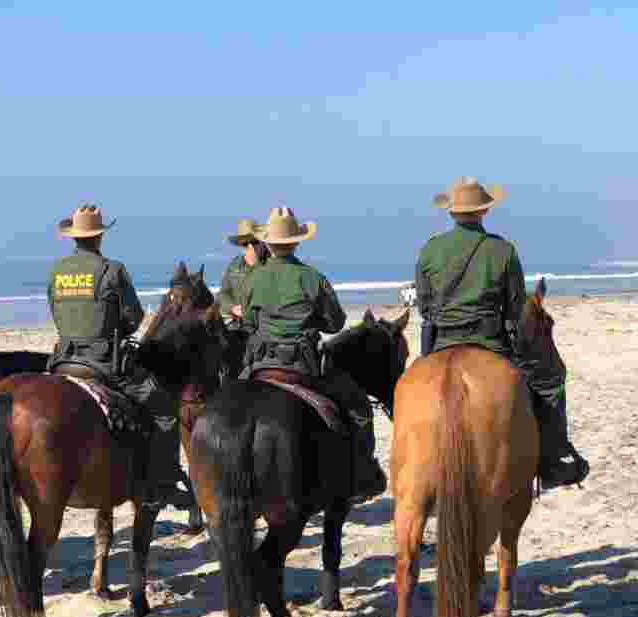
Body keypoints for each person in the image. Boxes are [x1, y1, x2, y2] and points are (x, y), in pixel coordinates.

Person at [415, 177, 589, 488]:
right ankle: (552, 460)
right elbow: (514, 309)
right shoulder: (502, 250)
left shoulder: (430, 250)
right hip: (489, 342)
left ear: (451, 212)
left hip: (439, 344)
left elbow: (425, 308)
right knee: (548, 383)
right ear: (483, 211)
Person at [47, 204, 192, 507]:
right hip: (105, 363)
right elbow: (135, 318)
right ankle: (163, 479)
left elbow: (55, 310)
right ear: (99, 236)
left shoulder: (57, 270)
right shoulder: (112, 269)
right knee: (164, 409)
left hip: (64, 360)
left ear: (74, 237)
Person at [240, 206, 388, 502]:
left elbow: (248, 321)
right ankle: (359, 474)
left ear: (266, 242)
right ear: (296, 242)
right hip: (303, 366)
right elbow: (336, 322)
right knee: (358, 409)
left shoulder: (252, 278)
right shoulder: (312, 277)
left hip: (260, 363)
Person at [218, 218, 268, 378]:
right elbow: (223, 293)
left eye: (254, 242)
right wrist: (232, 307)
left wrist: (257, 265)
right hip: (236, 328)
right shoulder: (235, 264)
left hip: (263, 329)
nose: (250, 247)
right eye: (245, 244)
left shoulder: (271, 266)